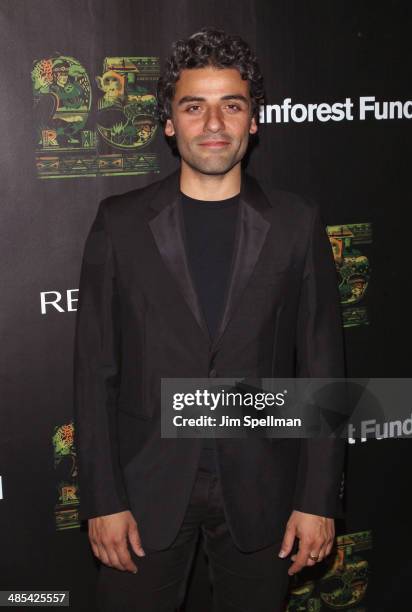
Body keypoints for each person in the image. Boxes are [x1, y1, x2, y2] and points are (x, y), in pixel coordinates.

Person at [73, 27, 346, 612]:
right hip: (144, 490)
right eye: (194, 106)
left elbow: (323, 367)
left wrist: (318, 499)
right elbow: (95, 373)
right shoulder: (119, 224)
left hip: (264, 488)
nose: (214, 123)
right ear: (169, 123)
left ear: (254, 122)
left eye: (232, 105)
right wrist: (101, 499)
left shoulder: (298, 223)